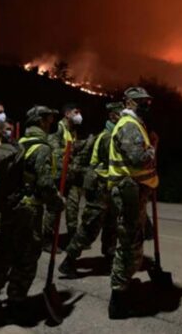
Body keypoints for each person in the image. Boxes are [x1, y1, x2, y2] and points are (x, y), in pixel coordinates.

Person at [7, 105, 65, 322]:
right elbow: (44, 184)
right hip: (30, 209)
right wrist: (57, 202)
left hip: (12, 207)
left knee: (10, 253)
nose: (51, 123)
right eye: (49, 119)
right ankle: (17, 301)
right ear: (40, 121)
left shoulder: (18, 144)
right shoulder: (42, 148)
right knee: (27, 257)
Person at [106, 87, 159, 319]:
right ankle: (118, 300)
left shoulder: (136, 124)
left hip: (136, 191)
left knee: (133, 240)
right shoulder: (129, 125)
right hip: (129, 192)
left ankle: (123, 290)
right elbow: (137, 159)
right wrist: (153, 148)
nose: (146, 105)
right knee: (127, 243)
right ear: (128, 102)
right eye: (141, 101)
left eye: (147, 101)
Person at [59, 101, 124, 278]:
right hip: (99, 188)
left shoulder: (113, 135)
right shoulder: (107, 137)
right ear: (113, 116)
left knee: (112, 225)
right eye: (121, 114)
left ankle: (109, 258)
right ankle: (69, 261)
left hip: (109, 187)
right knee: (90, 227)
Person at [43, 103, 83, 253]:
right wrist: (74, 148)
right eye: (76, 112)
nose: (79, 115)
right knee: (54, 208)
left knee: (72, 208)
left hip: (71, 176)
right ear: (67, 114)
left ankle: (72, 239)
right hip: (58, 176)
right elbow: (55, 150)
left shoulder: (72, 130)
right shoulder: (58, 128)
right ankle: (47, 239)